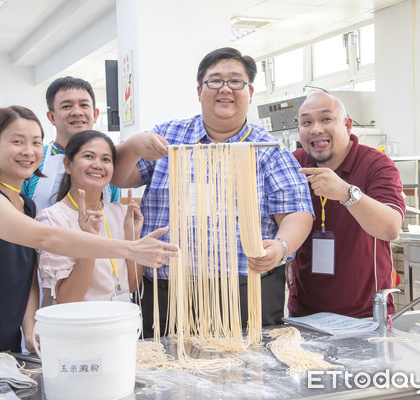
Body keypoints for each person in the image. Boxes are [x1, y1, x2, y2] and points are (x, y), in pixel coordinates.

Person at [0, 106, 177, 353]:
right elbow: (47, 237)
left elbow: (27, 276)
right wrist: (132, 248)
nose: (29, 151)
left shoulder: (26, 205)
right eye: (17, 141)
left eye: (35, 143)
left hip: (1, 336)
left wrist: (30, 324)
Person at [112, 47, 314, 337]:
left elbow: (296, 212)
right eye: (215, 81)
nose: (225, 89)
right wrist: (133, 145)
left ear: (250, 91)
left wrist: (281, 247)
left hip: (246, 290)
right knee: (169, 370)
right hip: (167, 291)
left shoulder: (267, 149)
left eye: (235, 81)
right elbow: (120, 177)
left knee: (247, 373)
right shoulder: (168, 137)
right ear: (199, 90)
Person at [288, 91, 406, 318]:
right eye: (306, 122)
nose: (315, 129)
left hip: (365, 315)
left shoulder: (376, 165)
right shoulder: (295, 163)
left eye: (325, 119)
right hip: (303, 313)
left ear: (347, 124)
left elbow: (391, 228)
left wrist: (346, 193)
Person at [37, 130, 143, 306]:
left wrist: (132, 238)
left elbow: (132, 285)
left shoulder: (119, 213)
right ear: (68, 165)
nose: (98, 165)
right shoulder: (52, 220)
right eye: (89, 156)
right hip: (80, 327)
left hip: (119, 322)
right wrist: (89, 242)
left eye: (106, 159)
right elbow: (66, 299)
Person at [21, 76, 120, 211]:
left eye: (84, 105)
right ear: (52, 117)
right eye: (67, 106)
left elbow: (110, 215)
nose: (77, 112)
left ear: (95, 114)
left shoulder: (106, 165)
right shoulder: (33, 159)